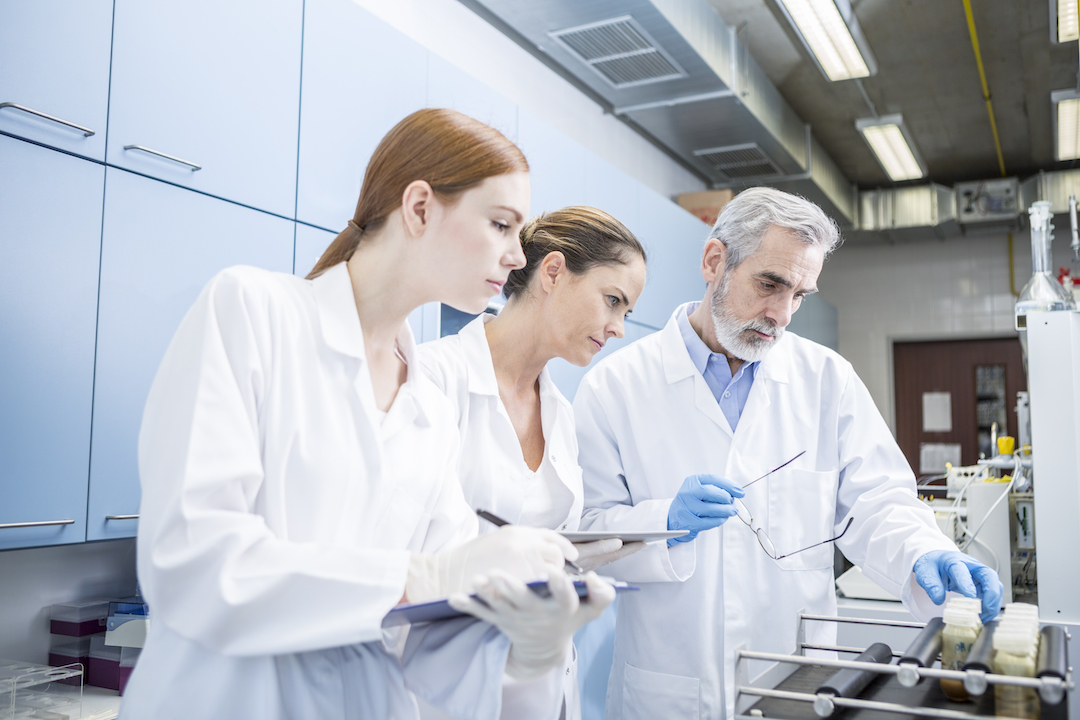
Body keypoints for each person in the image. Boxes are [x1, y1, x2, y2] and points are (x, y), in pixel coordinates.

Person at [121, 108, 614, 720]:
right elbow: (194, 567)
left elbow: (437, 650)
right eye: (500, 225)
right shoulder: (252, 313)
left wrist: (529, 645)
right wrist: (423, 577)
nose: (518, 256)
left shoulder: (429, 405)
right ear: (420, 208)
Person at [571, 186, 1004, 720]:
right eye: (770, 283)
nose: (781, 313)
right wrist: (663, 520)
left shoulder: (827, 380)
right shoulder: (615, 386)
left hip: (799, 681)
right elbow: (586, 532)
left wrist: (923, 551)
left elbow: (877, 503)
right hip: (670, 688)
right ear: (715, 261)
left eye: (800, 294)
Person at [417, 207, 649, 720]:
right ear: (553, 272)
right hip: (440, 682)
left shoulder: (561, 415)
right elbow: (409, 554)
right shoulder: (433, 379)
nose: (618, 329)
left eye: (627, 312)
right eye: (613, 301)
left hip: (541, 682)